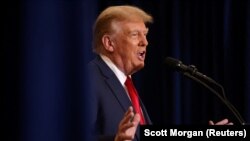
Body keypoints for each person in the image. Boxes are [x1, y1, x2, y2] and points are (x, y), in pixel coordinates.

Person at [87, 5, 233, 141]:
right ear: (109, 43)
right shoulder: (89, 80)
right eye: (135, 34)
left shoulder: (127, 86)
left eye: (145, 35)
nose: (145, 42)